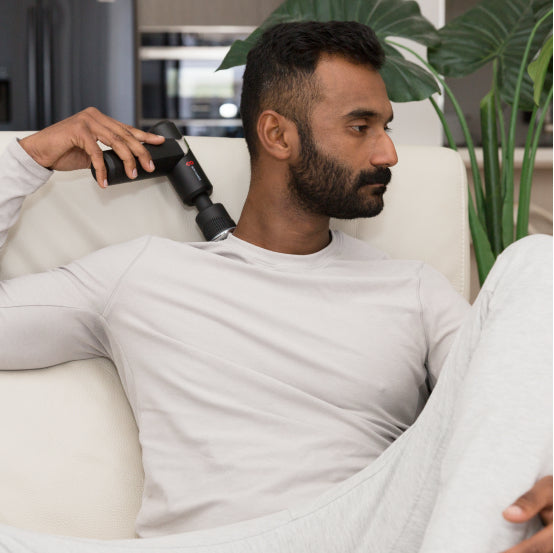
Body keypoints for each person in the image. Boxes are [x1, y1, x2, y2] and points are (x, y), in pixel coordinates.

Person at [0, 21, 551, 553]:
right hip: (211, 545)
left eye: (387, 128)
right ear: (277, 134)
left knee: (537, 259)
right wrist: (29, 160)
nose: (388, 154)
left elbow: (504, 405)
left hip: (364, 527)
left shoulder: (412, 289)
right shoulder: (140, 275)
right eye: (361, 128)